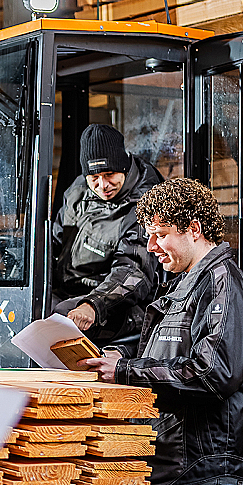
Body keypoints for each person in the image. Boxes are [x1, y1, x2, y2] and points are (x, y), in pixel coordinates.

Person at [80, 177, 243, 485]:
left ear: (194, 228)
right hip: (181, 462)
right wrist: (116, 357)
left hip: (211, 465)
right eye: (149, 236)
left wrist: (126, 371)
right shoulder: (186, 284)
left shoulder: (223, 284)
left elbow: (212, 372)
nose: (154, 246)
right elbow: (169, 355)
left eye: (162, 234)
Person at [51, 123, 163, 350]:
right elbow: (54, 242)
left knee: (60, 317)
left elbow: (133, 272)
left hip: (120, 305)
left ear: (123, 167)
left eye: (109, 174)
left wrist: (93, 305)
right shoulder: (78, 191)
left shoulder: (144, 204)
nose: (102, 185)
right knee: (31, 307)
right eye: (94, 176)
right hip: (69, 292)